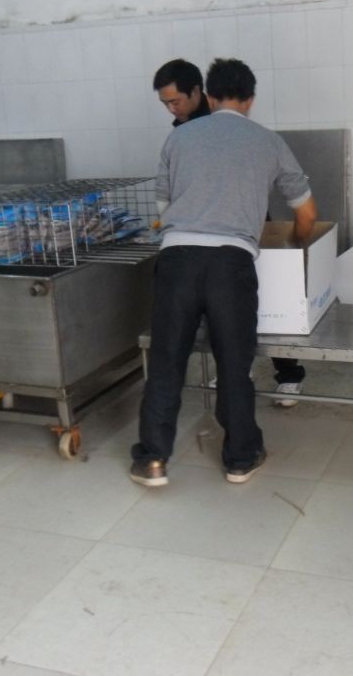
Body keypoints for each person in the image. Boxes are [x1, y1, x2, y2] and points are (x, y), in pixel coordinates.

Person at [132, 58, 318, 487]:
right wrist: (295, 243)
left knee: (166, 361)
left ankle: (153, 459)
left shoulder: (178, 139)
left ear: (210, 97)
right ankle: (240, 457)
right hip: (230, 264)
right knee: (234, 363)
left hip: (177, 260)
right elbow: (307, 214)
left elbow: (163, 209)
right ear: (250, 100)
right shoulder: (269, 141)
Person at [152, 58, 308, 406]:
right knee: (222, 310)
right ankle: (237, 370)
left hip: (243, 225)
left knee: (270, 299)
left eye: (175, 101)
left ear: (200, 93)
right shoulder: (182, 132)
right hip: (205, 234)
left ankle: (288, 373)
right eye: (165, 104)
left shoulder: (221, 122)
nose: (172, 109)